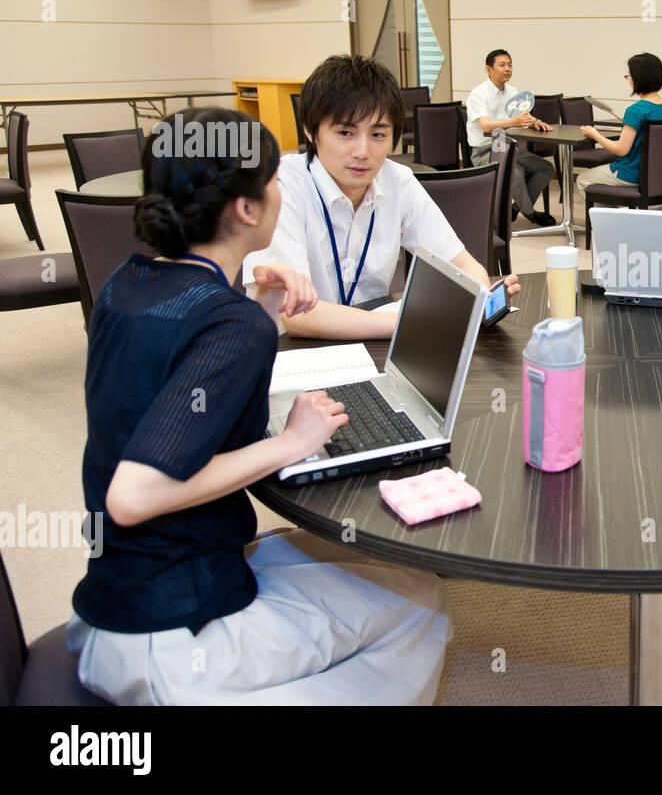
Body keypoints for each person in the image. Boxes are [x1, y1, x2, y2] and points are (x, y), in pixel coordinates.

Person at [66, 108, 452, 704]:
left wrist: (257, 303)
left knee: (392, 573)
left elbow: (171, 365)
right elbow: (133, 495)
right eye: (273, 178)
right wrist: (292, 442)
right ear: (247, 210)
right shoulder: (229, 323)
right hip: (174, 635)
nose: (282, 187)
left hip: (115, 603)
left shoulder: (129, 280)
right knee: (423, 604)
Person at [243, 54, 519, 340]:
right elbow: (298, 315)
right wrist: (414, 322)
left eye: (377, 134)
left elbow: (462, 264)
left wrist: (481, 298)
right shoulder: (280, 186)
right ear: (311, 131)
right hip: (290, 356)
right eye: (346, 132)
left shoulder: (397, 180)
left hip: (371, 346)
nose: (363, 151)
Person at [465, 49, 557, 226]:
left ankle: (515, 209)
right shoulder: (478, 94)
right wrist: (514, 121)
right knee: (516, 174)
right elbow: (486, 126)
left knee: (545, 167)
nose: (507, 69)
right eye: (502, 65)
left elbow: (523, 116)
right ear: (489, 69)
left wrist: (535, 122)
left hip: (509, 148)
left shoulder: (512, 91)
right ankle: (531, 214)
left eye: (510, 65)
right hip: (486, 150)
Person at [575, 52, 662, 204]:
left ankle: (602, 226)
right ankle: (613, 222)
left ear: (638, 77)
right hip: (656, 177)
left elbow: (621, 149)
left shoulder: (635, 110)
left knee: (583, 179)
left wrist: (595, 135)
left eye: (628, 75)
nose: (628, 79)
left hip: (630, 174)